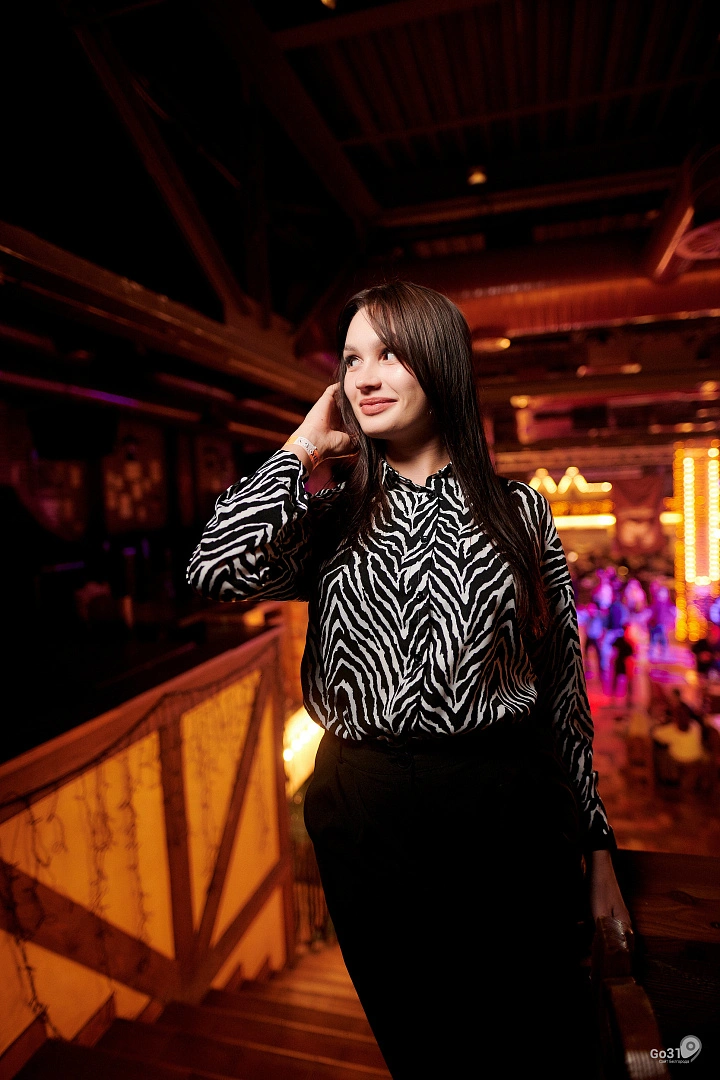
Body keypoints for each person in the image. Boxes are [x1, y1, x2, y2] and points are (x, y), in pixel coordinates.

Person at [186, 281, 630, 1079]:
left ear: (442, 361)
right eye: (351, 359)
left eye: (388, 353)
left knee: (541, 1042)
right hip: (365, 812)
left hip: (506, 805)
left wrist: (598, 848)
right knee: (424, 1052)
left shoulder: (520, 512)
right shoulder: (330, 516)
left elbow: (563, 689)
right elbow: (212, 569)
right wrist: (301, 449)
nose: (363, 376)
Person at [612, 624, 635, 706]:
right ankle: (615, 696)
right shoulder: (626, 640)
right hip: (622, 662)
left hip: (625, 662)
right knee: (619, 679)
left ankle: (628, 697)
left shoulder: (627, 641)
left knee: (627, 680)